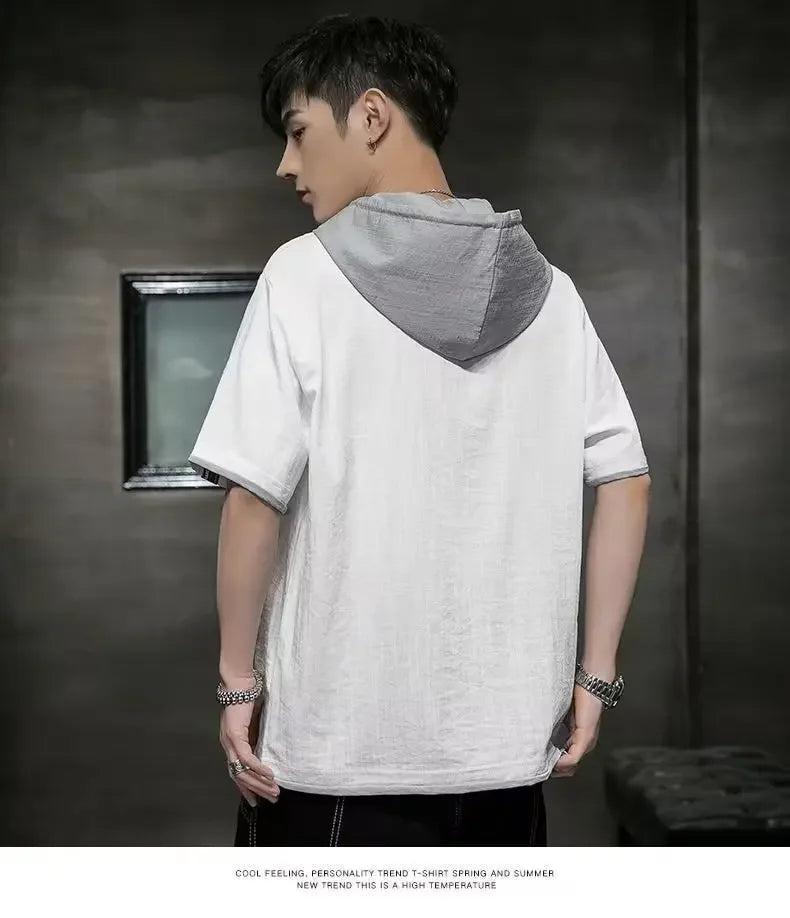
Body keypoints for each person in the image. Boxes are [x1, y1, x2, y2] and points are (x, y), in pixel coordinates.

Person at [188, 13, 651, 847]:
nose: (286, 163)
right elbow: (627, 477)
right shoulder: (554, 295)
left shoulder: (303, 275)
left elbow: (253, 497)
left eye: (298, 131)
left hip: (333, 765)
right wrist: (596, 677)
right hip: (508, 764)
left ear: (370, 116)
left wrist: (236, 684)